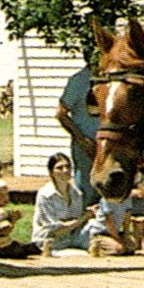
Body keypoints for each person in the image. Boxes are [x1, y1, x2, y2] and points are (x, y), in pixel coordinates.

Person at [57, 60, 101, 206]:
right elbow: (61, 114)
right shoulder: (78, 81)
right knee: (85, 190)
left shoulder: (109, 78)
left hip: (107, 143)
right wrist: (82, 140)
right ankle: (79, 224)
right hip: (86, 145)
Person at [32, 151, 93, 253]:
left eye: (68, 167)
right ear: (51, 172)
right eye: (60, 168)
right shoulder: (45, 195)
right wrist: (83, 218)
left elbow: (76, 221)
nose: (65, 170)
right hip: (49, 242)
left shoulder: (76, 193)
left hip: (70, 239)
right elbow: (54, 231)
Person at [0, 179, 41, 257]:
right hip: (2, 247)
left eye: (6, 195)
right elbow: (6, 230)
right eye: (2, 196)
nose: (6, 198)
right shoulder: (0, 212)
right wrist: (14, 219)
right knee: (27, 247)